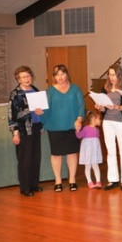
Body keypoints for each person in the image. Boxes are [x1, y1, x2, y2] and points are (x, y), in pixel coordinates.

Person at [39, 64, 86, 192]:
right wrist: (40, 113)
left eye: (62, 73)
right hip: (54, 127)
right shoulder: (49, 92)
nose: (60, 77)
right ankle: (58, 181)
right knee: (56, 154)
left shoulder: (75, 89)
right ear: (54, 77)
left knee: (72, 153)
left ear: (67, 74)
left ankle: (72, 180)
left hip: (72, 126)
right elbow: (45, 111)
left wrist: (79, 119)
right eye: (57, 74)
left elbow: (81, 106)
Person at [7, 66, 44, 197]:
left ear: (31, 77)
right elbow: (12, 115)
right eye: (23, 77)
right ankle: (25, 187)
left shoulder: (35, 90)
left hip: (35, 128)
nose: (26, 79)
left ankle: (34, 184)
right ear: (18, 79)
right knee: (25, 160)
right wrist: (15, 133)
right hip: (23, 131)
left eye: (28, 76)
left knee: (35, 158)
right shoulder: (15, 94)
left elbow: (40, 110)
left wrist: (41, 120)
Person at [96, 64, 122, 191]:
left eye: (114, 75)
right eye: (109, 75)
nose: (111, 77)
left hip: (121, 122)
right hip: (108, 122)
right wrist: (100, 107)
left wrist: (116, 107)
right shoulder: (104, 88)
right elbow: (104, 107)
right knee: (111, 152)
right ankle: (113, 179)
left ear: (119, 75)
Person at [75, 111, 103, 189]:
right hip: (87, 151)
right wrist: (77, 130)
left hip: (94, 151)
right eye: (99, 119)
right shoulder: (86, 128)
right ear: (94, 119)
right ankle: (89, 181)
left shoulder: (97, 130)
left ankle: (98, 181)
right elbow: (79, 136)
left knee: (95, 165)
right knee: (88, 166)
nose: (100, 120)